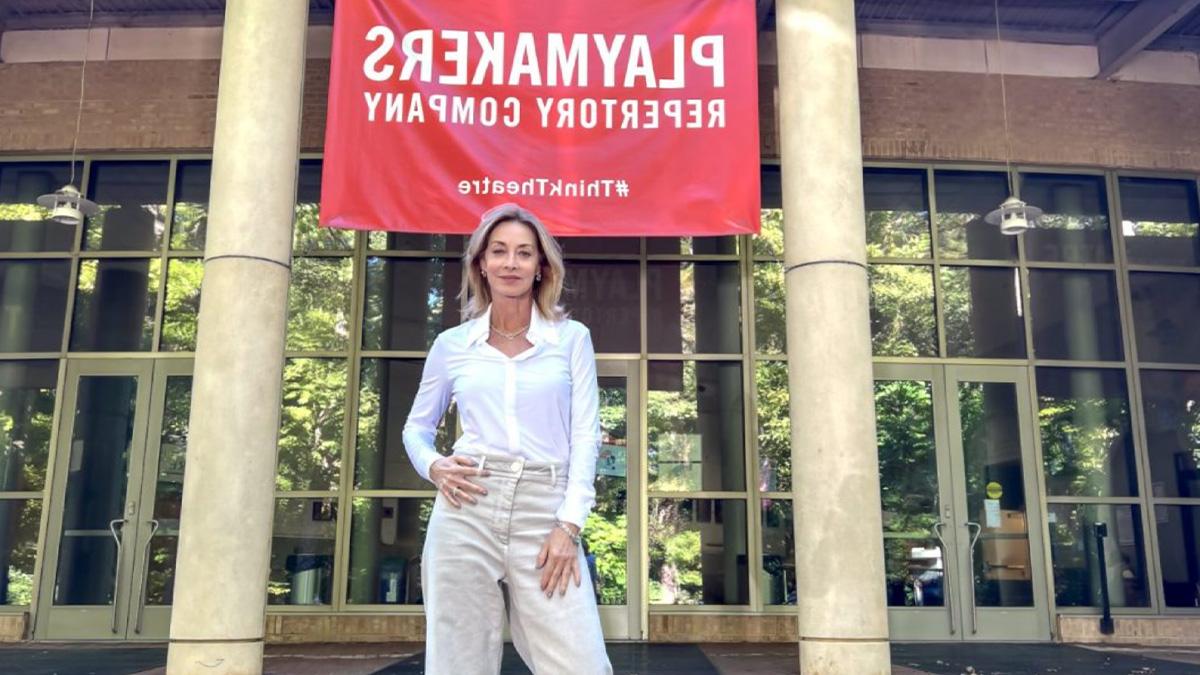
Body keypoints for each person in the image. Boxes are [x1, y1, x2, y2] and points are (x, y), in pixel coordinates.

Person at [403, 203, 613, 674]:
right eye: (499, 251)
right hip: (467, 504)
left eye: (523, 253)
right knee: (459, 662)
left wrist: (569, 525)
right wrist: (433, 465)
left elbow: (585, 437)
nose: (510, 263)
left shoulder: (571, 339)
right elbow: (416, 428)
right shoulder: (453, 346)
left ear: (541, 266)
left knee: (580, 663)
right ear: (481, 262)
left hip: (546, 509)